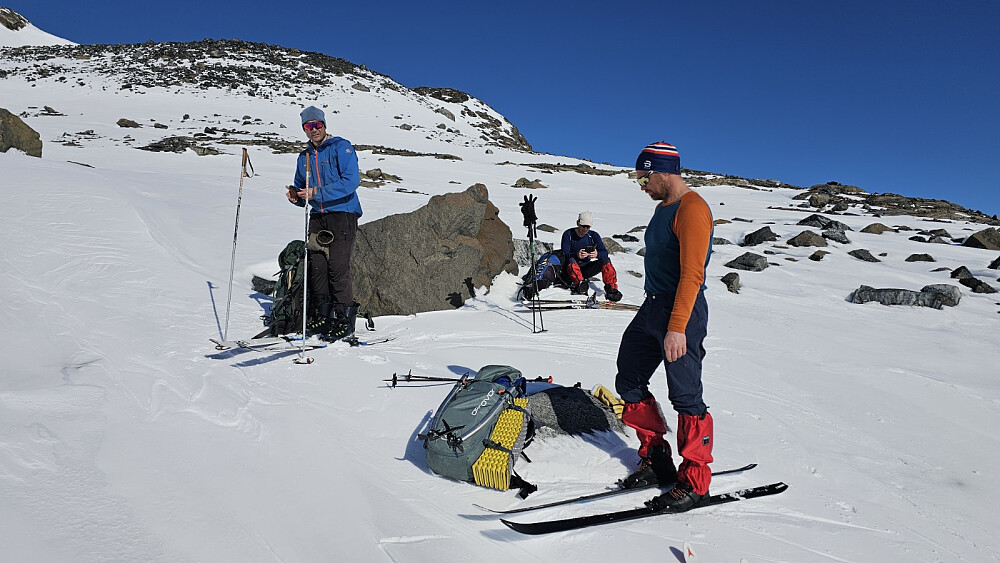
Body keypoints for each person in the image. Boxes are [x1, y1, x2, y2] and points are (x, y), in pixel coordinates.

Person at [614, 142, 715, 511]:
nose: (641, 184)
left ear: (660, 171)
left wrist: (677, 328)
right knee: (629, 379)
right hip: (653, 307)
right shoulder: (662, 209)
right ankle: (657, 460)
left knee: (686, 396)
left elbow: (692, 274)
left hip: (682, 312)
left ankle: (695, 483)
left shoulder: (693, 208)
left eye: (642, 177)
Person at [285, 106, 362, 341]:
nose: (314, 129)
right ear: (304, 129)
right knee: (317, 267)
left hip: (343, 214)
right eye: (309, 126)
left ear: (324, 125)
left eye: (317, 125)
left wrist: (316, 192)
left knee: (337, 269)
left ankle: (343, 320)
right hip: (317, 216)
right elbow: (301, 188)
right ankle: (324, 315)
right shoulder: (304, 157)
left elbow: (351, 182)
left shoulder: (341, 147)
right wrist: (296, 197)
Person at [560, 211, 622, 301]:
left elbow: (604, 252)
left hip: (586, 269)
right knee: (571, 260)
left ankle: (611, 289)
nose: (585, 229)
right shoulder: (568, 234)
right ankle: (580, 286)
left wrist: (597, 254)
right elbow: (564, 253)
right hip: (570, 269)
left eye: (587, 227)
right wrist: (577, 255)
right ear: (578, 224)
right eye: (583, 226)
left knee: (605, 260)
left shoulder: (593, 236)